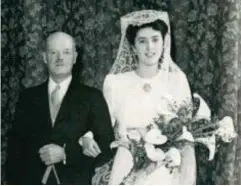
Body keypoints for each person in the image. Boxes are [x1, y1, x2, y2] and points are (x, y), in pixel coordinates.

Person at [82, 10, 196, 185]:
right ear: (134, 48)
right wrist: (87, 138)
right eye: (142, 41)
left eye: (155, 39)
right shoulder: (115, 83)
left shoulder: (176, 80)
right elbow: (101, 124)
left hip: (167, 169)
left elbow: (186, 134)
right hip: (128, 167)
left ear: (164, 42)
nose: (149, 47)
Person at [6, 31, 115, 185]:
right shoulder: (27, 98)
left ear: (75, 57)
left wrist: (66, 154)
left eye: (66, 52)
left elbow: (106, 147)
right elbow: (14, 152)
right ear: (44, 57)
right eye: (53, 52)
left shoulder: (93, 97)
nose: (60, 58)